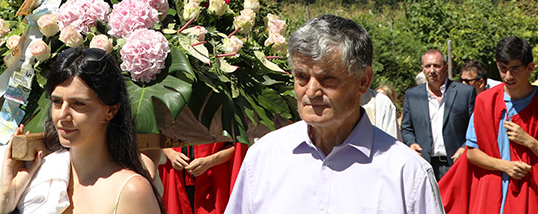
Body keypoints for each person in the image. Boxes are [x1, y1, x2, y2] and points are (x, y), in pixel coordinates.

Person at [224, 15, 443, 214]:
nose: (311, 91)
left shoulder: (407, 173)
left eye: (327, 78)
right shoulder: (264, 157)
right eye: (302, 76)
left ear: (364, 81)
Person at [0, 47, 163, 214]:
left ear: (110, 110)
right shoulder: (40, 179)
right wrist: (6, 198)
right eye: (57, 102)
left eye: (78, 104)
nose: (62, 115)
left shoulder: (130, 190)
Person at [440, 36, 538, 213]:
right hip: (492, 196)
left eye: (515, 68)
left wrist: (530, 142)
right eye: (503, 69)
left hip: (532, 194)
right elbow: (471, 153)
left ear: (529, 67)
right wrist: (504, 165)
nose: (508, 76)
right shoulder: (485, 101)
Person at [401, 49, 476, 180]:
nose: (432, 70)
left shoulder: (465, 93)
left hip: (455, 162)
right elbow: (407, 128)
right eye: (427, 66)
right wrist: (411, 143)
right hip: (424, 163)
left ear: (446, 67)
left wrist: (466, 147)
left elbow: (476, 125)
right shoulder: (412, 95)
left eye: (436, 65)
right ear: (422, 69)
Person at [159, 142, 246, 214]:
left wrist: (210, 161)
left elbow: (238, 146)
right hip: (176, 178)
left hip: (213, 182)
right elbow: (158, 136)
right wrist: (171, 154)